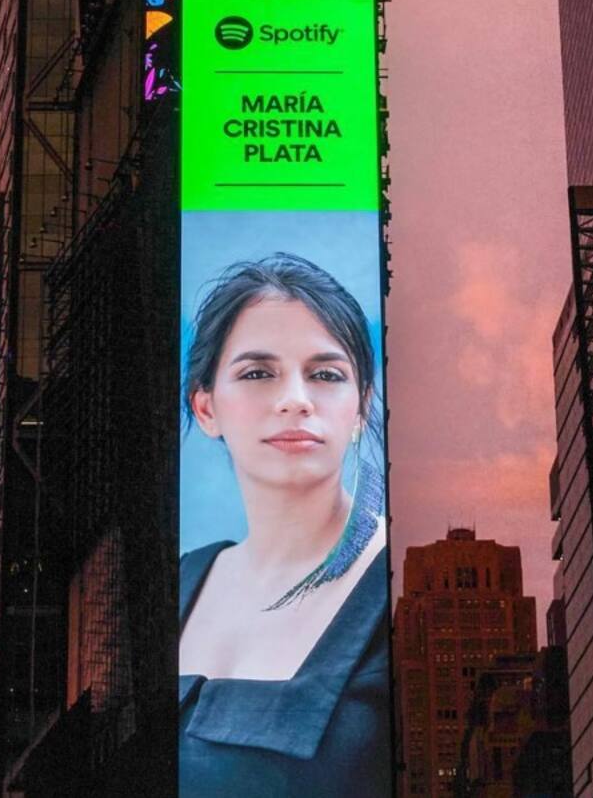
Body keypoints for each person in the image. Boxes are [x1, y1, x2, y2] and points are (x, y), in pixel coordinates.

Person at [179, 253, 390, 797]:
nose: (295, 400)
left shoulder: (400, 577)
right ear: (206, 408)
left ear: (361, 407)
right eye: (257, 373)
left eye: (326, 375)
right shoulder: (179, 580)